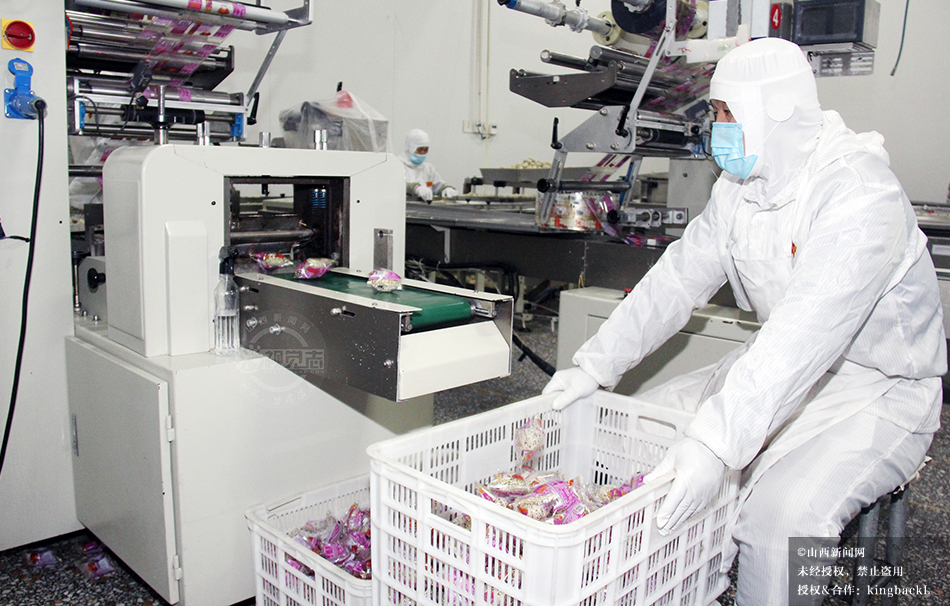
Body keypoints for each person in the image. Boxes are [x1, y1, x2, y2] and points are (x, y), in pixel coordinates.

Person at [543, 38, 945, 605]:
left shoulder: (858, 195)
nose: (718, 130)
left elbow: (808, 330)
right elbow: (678, 278)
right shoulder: (740, 189)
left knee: (781, 519)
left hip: (881, 389)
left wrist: (714, 445)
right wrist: (595, 366)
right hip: (781, 363)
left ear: (774, 112)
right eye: (716, 114)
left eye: (727, 113)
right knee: (637, 437)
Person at [400, 128, 457, 202]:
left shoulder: (428, 169)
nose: (422, 153)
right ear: (410, 148)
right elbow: (395, 186)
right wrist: (415, 188)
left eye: (425, 149)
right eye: (420, 149)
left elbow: (438, 185)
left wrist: (445, 189)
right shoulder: (397, 165)